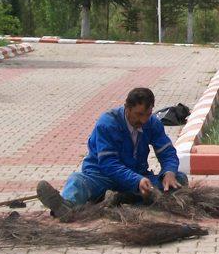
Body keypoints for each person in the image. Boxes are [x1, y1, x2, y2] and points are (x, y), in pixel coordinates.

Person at [36, 87, 187, 219]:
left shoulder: (152, 123)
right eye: (138, 114)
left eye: (147, 114)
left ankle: (127, 197)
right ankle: (65, 207)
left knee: (179, 178)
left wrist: (169, 172)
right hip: (102, 177)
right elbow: (109, 164)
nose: (143, 120)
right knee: (78, 181)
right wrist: (137, 180)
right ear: (127, 108)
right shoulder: (108, 123)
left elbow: (167, 152)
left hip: (136, 177)